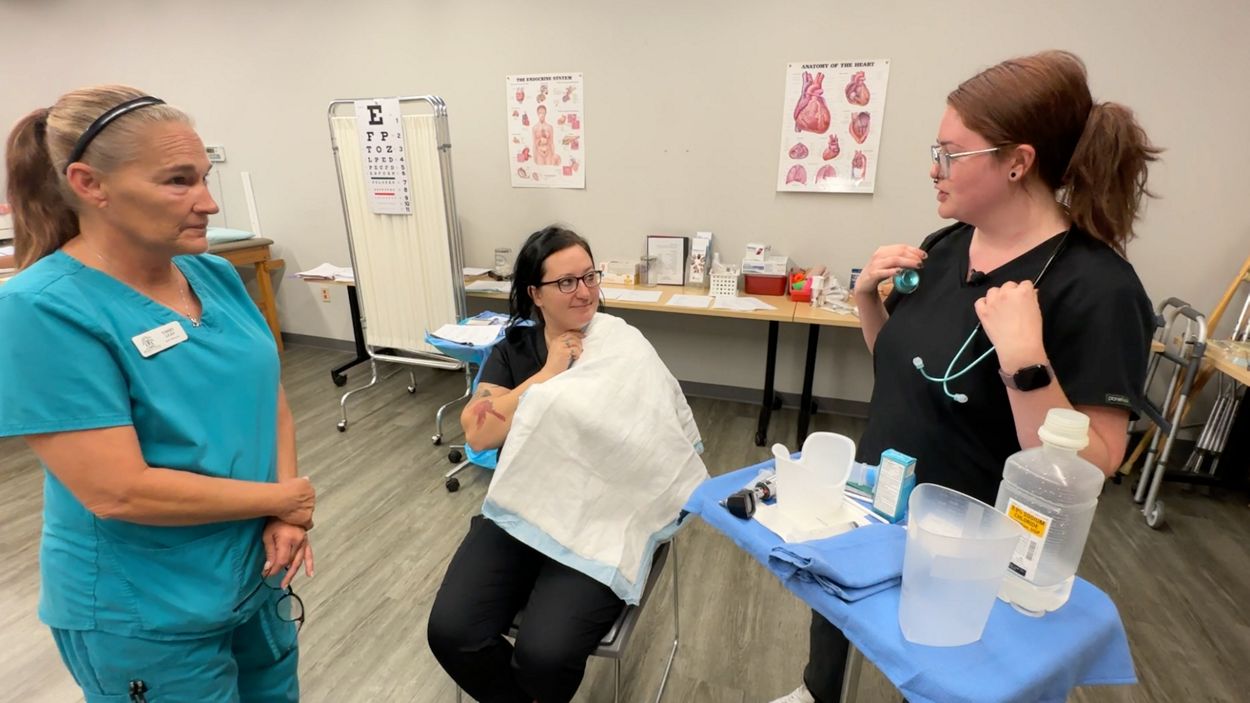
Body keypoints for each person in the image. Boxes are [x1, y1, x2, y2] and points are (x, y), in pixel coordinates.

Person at [772, 50, 1159, 703]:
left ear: (1017, 162)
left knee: (931, 668)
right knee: (840, 622)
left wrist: (1025, 362)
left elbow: (1098, 460)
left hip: (970, 548)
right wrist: (867, 300)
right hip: (877, 500)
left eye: (951, 154)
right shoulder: (947, 244)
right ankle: (819, 691)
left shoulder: (1098, 289)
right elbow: (907, 371)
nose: (934, 168)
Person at [0, 85, 316, 702]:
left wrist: (284, 512)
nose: (208, 201)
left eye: (204, 176)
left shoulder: (213, 274)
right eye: (178, 181)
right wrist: (284, 497)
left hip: (255, 574)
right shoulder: (41, 309)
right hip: (145, 608)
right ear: (90, 184)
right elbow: (118, 489)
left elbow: (268, 398)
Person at [427, 226, 627, 703]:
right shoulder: (514, 351)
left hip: (595, 521)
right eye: (566, 282)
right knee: (452, 632)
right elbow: (478, 432)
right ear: (535, 294)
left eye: (590, 276)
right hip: (523, 510)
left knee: (545, 656)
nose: (584, 292)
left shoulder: (621, 347)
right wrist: (548, 373)